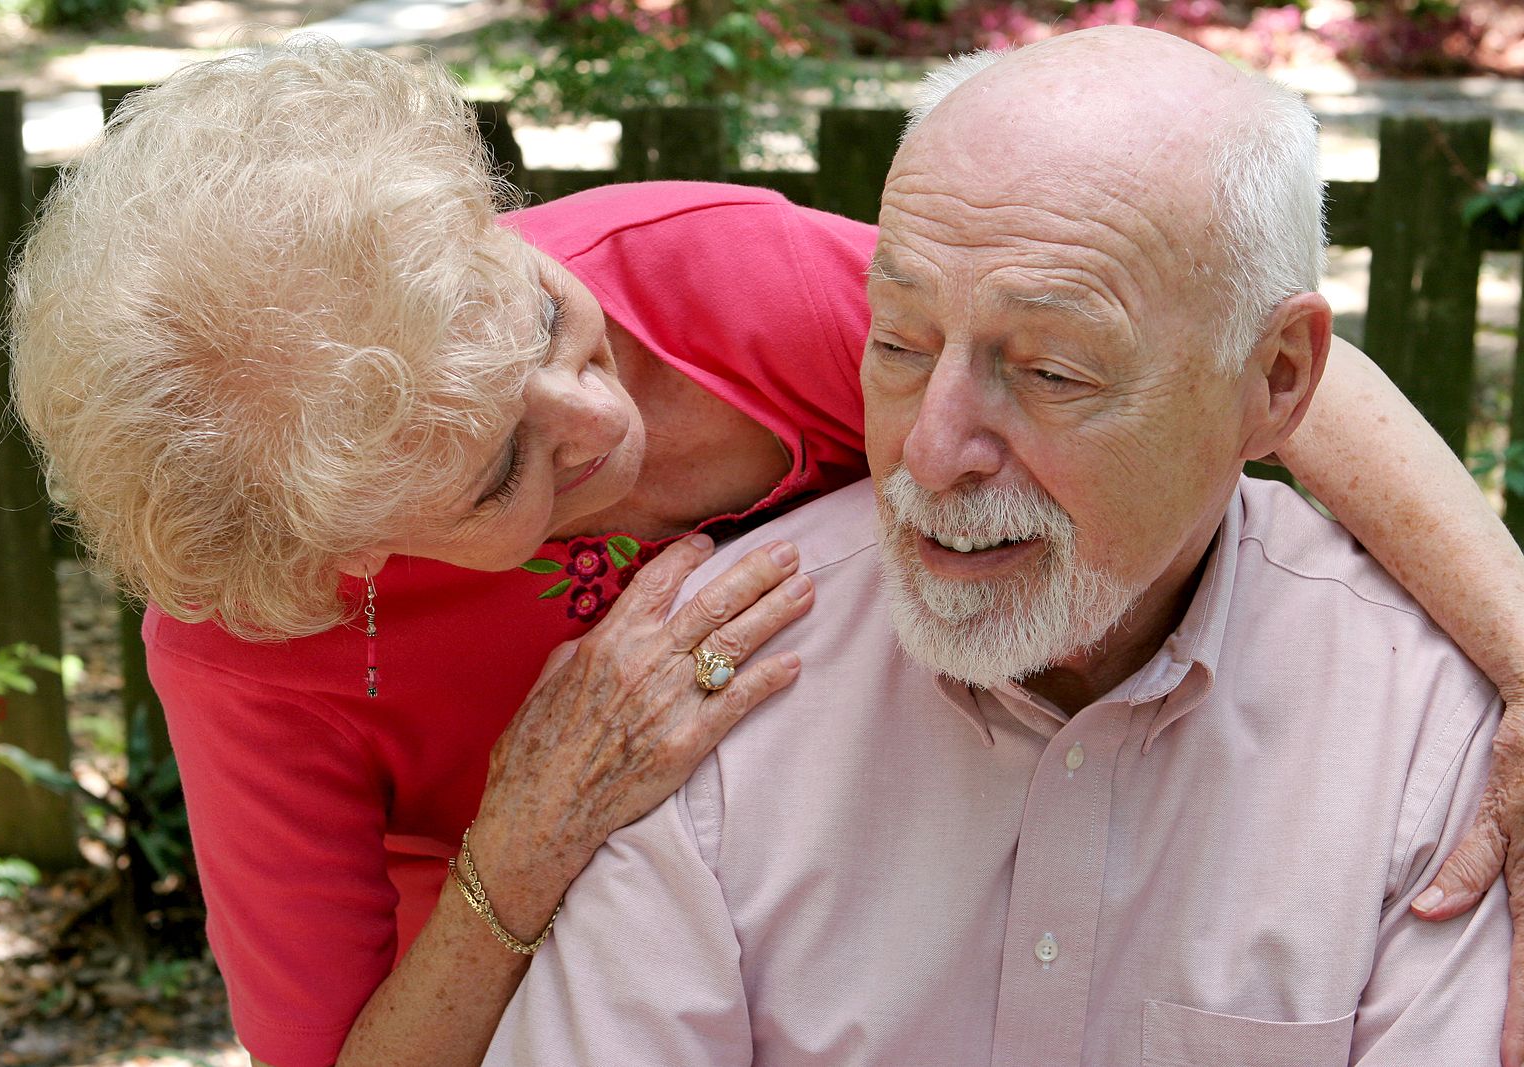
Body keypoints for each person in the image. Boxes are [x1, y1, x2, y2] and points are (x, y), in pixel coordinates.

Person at [5, 38, 1524, 1067]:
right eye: (497, 470)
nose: (600, 418)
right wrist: (525, 836)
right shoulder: (252, 645)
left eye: (543, 317)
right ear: (332, 545)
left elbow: (1176, 349)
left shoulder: (705, 283)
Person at [484, 27, 1511, 1066]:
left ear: (1277, 379)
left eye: (1052, 371)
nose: (930, 454)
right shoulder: (699, 692)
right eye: (895, 343)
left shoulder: (1427, 740)